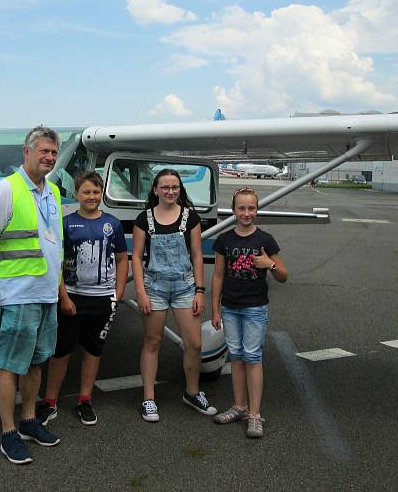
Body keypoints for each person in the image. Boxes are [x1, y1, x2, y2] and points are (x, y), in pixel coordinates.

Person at [0, 126, 63, 465]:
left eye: (54, 153)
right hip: (17, 294)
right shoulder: (6, 189)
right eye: (43, 151)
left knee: (37, 361)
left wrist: (59, 287)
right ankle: (9, 433)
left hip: (46, 293)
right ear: (26, 152)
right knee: (11, 365)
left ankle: (29, 420)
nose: (49, 158)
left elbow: (54, 242)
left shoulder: (53, 191)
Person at [36, 171, 128, 427]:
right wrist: (63, 296)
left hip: (102, 299)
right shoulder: (66, 223)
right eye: (86, 192)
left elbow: (122, 259)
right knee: (61, 352)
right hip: (72, 298)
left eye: (96, 192)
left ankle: (85, 399)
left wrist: (117, 295)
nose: (92, 196)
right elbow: (56, 262)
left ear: (102, 194)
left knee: (93, 350)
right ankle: (50, 402)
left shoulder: (113, 223)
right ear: (76, 193)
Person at [131, 168, 217, 422]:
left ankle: (192, 392)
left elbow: (197, 255)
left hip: (184, 286)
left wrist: (200, 290)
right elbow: (136, 257)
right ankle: (148, 398)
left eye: (175, 187)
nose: (170, 191)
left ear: (180, 190)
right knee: (152, 342)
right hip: (154, 287)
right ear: (155, 190)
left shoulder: (190, 217)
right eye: (165, 187)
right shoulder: (143, 219)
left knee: (195, 344)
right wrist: (141, 292)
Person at [210, 187, 288, 438]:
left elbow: (284, 275)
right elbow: (219, 275)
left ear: (257, 209)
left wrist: (270, 264)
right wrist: (215, 308)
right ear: (233, 210)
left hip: (255, 308)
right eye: (241, 208)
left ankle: (255, 414)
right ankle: (239, 407)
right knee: (236, 356)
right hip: (230, 308)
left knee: (252, 357)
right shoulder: (224, 240)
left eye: (251, 208)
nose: (246, 213)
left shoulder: (265, 240)